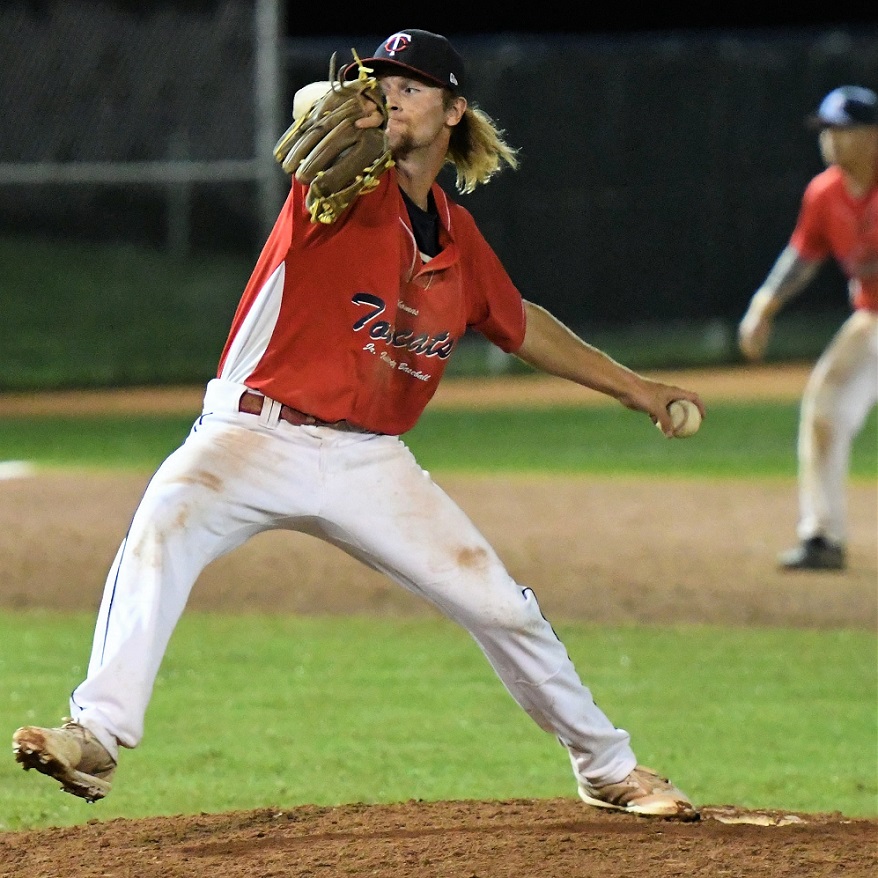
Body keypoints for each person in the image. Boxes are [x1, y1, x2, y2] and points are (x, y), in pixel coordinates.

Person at [13, 28, 705, 820]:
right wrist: (337, 107)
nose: (392, 96)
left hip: (370, 462)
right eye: (383, 83)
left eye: (413, 85)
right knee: (163, 527)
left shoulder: (459, 238)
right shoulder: (341, 182)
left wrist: (635, 388)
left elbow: (520, 323)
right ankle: (97, 734)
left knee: (502, 608)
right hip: (250, 436)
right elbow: (315, 112)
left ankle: (607, 769)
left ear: (454, 110)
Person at [738, 85, 878, 571]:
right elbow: (803, 254)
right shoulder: (824, 193)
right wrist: (764, 305)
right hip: (872, 319)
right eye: (826, 130)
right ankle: (822, 536)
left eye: (844, 130)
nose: (831, 140)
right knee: (825, 407)